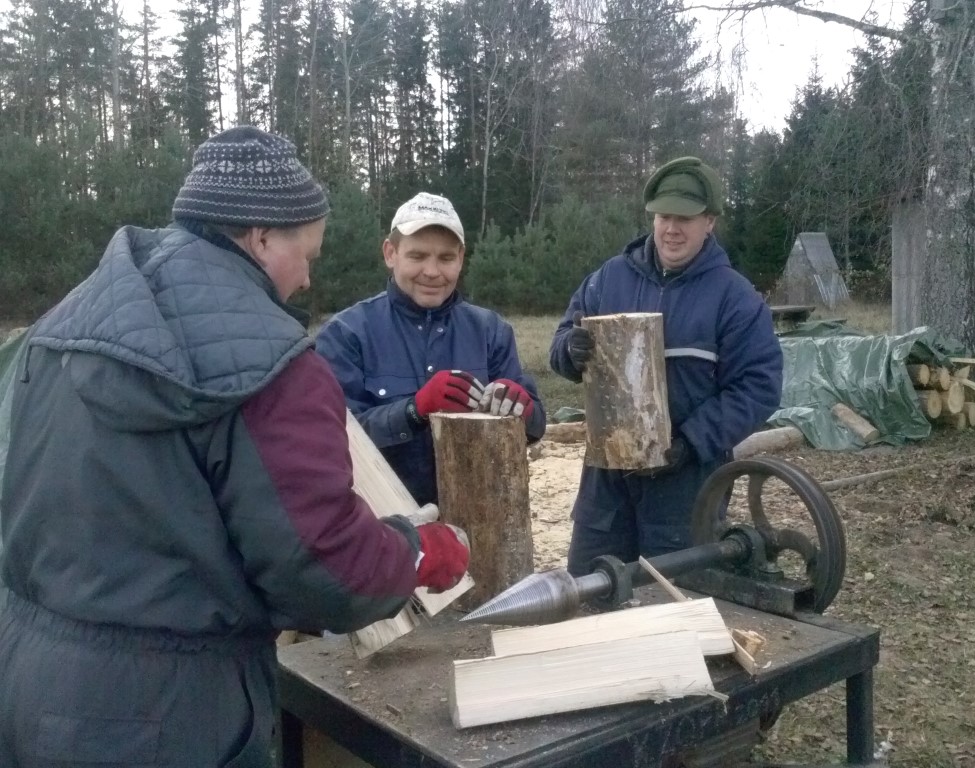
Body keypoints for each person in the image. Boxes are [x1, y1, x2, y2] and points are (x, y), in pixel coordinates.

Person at [0, 127, 469, 768]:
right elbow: (325, 572)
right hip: (172, 713)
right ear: (261, 236)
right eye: (307, 253)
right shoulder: (274, 365)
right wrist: (415, 554)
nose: (306, 279)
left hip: (27, 680)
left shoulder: (64, 325)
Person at [549, 156, 783, 576]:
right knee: (590, 591)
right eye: (663, 216)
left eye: (685, 218)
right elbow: (560, 346)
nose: (671, 228)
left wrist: (691, 441)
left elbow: (758, 386)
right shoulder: (609, 278)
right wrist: (572, 348)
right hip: (606, 482)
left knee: (673, 603)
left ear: (709, 221)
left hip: (686, 484)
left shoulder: (734, 297)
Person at [316, 192, 546, 505]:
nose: (432, 271)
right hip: (387, 522)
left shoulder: (491, 331)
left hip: (482, 517)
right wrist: (413, 410)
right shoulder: (347, 334)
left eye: (446, 258)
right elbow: (332, 441)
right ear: (390, 253)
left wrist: (524, 410)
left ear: (461, 259)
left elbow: (535, 427)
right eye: (417, 256)